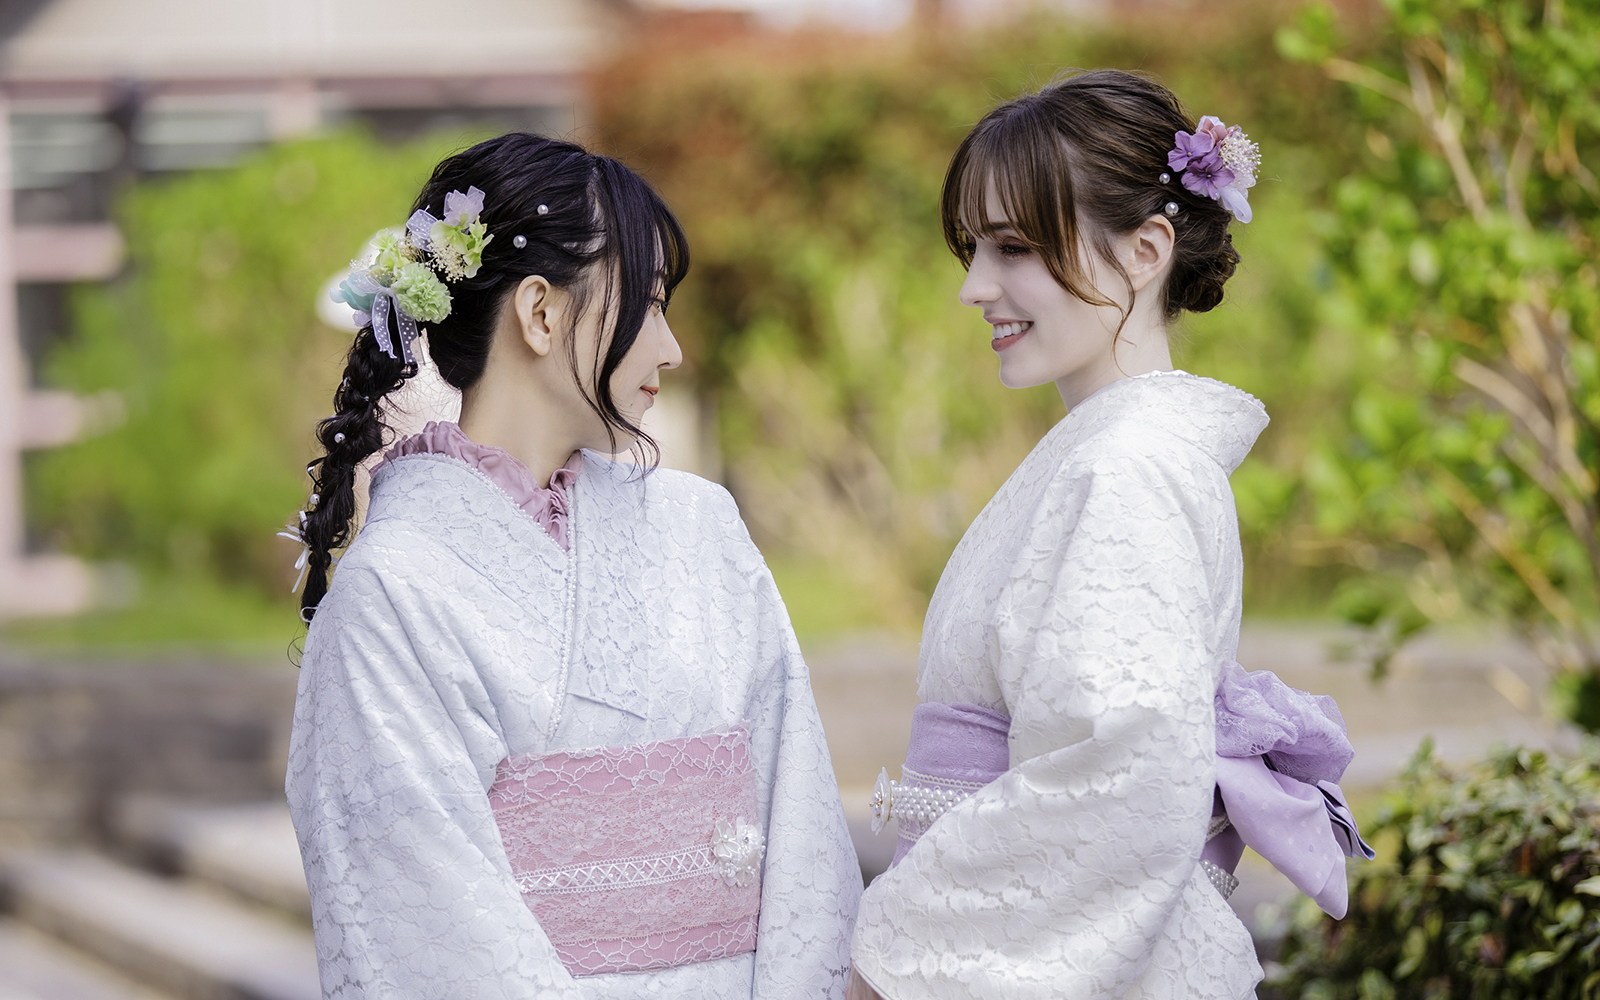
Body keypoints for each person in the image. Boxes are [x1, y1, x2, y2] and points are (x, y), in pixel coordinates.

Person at [284, 133, 861, 999]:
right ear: (541, 313)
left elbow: (803, 820)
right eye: (650, 306)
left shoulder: (702, 526)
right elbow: (429, 936)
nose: (670, 348)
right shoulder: (390, 596)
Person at [848, 71, 1369, 999]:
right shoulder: (1114, 453)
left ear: (1146, 250)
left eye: (1013, 247)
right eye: (973, 248)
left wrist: (895, 968)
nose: (975, 286)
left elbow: (1117, 775)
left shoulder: (1129, 467)